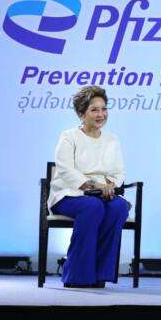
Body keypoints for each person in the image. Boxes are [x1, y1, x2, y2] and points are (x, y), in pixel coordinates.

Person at [48, 85, 130, 288]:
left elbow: (119, 171)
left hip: (102, 194)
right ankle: (77, 275)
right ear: (81, 113)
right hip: (69, 194)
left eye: (104, 109)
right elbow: (65, 170)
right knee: (92, 206)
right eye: (94, 110)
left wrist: (111, 185)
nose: (101, 114)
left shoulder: (112, 140)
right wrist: (95, 185)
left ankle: (100, 274)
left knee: (119, 207)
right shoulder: (69, 136)